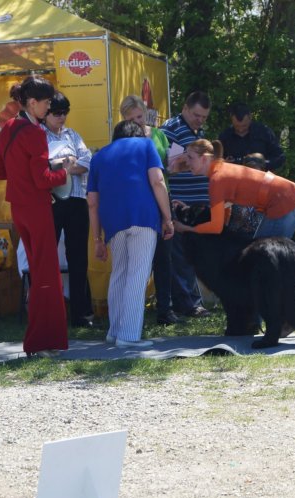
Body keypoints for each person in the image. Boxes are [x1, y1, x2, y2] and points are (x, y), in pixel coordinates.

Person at [0, 75, 73, 356]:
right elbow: (42, 180)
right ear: (33, 102)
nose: (49, 107)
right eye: (47, 102)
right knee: (47, 275)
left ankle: (39, 339)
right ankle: (43, 341)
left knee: (39, 273)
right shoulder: (35, 133)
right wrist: (64, 171)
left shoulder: (7, 128)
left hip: (18, 208)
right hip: (37, 207)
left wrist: (29, 170)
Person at [87, 120, 174, 348]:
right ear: (138, 134)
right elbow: (158, 181)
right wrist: (167, 218)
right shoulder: (146, 145)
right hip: (143, 216)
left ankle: (115, 331)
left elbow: (92, 203)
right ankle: (128, 335)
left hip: (112, 221)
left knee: (120, 273)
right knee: (137, 274)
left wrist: (97, 239)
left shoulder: (99, 156)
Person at [119, 95, 181, 326]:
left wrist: (176, 163)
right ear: (124, 118)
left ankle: (165, 309)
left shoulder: (158, 135)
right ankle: (133, 311)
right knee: (137, 259)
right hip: (138, 200)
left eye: (141, 116)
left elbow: (167, 166)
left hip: (162, 196)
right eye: (133, 118)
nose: (139, 121)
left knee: (164, 256)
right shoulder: (123, 139)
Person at [173, 140, 295, 238]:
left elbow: (216, 227)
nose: (187, 162)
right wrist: (189, 209)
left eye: (190, 157)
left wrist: (186, 228)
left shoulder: (217, 180)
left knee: (261, 258)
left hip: (285, 202)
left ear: (203, 159)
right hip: (290, 198)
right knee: (261, 256)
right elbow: (221, 214)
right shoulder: (221, 170)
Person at [42, 91, 95, 327]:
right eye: (56, 113)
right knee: (47, 257)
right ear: (46, 113)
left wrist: (63, 168)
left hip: (76, 199)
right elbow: (42, 167)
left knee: (79, 257)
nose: (61, 117)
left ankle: (81, 314)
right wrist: (66, 164)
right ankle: (49, 313)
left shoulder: (72, 134)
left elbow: (87, 161)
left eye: (65, 112)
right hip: (51, 201)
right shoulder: (38, 135)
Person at [160, 91, 212, 318]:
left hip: (198, 202)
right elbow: (164, 166)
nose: (200, 120)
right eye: (196, 115)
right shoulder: (171, 129)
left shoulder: (198, 132)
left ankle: (192, 300)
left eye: (204, 117)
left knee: (192, 254)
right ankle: (188, 303)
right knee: (180, 256)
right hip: (180, 201)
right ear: (185, 109)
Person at [218, 102, 286, 171]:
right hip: (233, 175)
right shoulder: (225, 136)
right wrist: (224, 163)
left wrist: (262, 164)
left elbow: (280, 157)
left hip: (260, 175)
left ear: (250, 117)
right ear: (231, 119)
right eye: (237, 126)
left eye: (244, 126)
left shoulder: (264, 132)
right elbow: (217, 161)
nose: (240, 129)